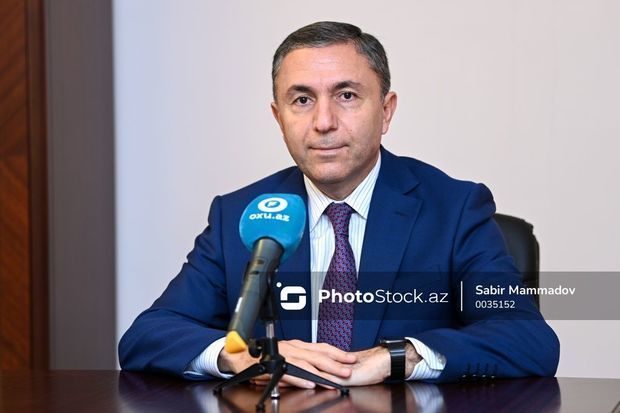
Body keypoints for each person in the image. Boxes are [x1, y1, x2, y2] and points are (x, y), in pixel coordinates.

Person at [118, 21, 559, 386]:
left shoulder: (454, 209)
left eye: (346, 96)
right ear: (279, 117)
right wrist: (241, 355)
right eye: (302, 100)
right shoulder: (242, 215)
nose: (323, 122)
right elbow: (147, 336)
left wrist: (397, 357)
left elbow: (527, 339)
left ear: (386, 111)